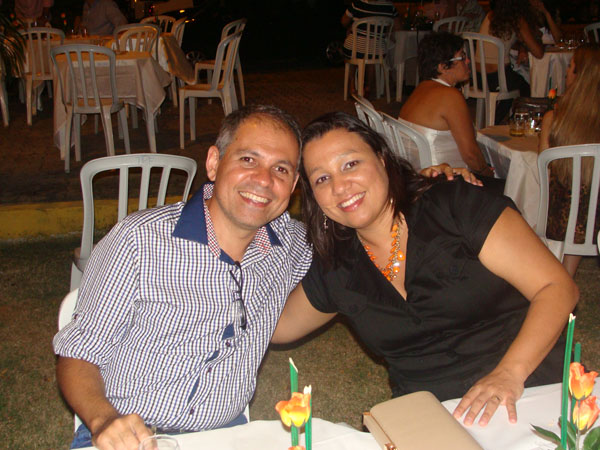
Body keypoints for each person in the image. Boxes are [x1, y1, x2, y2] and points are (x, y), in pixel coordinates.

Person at [272, 112, 578, 427]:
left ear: (381, 159)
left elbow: (556, 287)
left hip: (526, 386)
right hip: (427, 415)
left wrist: (509, 373)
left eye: (350, 164)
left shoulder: (453, 206)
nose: (340, 186)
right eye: (322, 179)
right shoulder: (337, 267)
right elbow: (275, 327)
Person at [53, 105, 313, 449]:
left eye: (281, 169)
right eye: (248, 159)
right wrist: (104, 420)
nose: (264, 180)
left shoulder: (291, 244)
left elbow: (354, 250)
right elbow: (78, 352)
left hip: (225, 436)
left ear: (293, 185)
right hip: (130, 434)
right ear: (214, 163)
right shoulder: (139, 240)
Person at [538, 43, 600, 278]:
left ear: (579, 75)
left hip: (562, 220)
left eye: (570, 67)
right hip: (593, 218)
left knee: (568, 194)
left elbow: (545, 172)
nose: (566, 72)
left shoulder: (554, 119)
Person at [399, 31, 494, 178]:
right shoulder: (450, 96)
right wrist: (489, 175)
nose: (468, 61)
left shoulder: (420, 89)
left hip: (417, 176)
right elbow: (471, 155)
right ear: (443, 67)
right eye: (462, 57)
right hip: (445, 180)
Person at [478, 0, 544, 123]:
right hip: (498, 77)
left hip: (479, 77)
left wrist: (522, 47)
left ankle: (495, 121)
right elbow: (538, 53)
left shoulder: (490, 15)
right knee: (525, 87)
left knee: (514, 83)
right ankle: (509, 121)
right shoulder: (516, 19)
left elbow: (505, 41)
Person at [341, 0, 401, 98]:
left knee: (352, 51)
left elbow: (344, 21)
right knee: (371, 52)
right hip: (377, 49)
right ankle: (368, 87)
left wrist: (353, 26)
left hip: (355, 48)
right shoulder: (389, 6)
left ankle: (352, 85)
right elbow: (398, 27)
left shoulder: (358, 4)